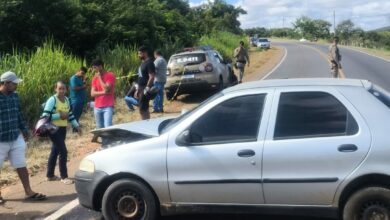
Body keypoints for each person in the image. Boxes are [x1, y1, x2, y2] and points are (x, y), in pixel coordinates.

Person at [0, 71, 46, 203]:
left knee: (21, 165)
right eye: (14, 84)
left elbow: (18, 114)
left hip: (15, 137)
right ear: (6, 83)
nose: (16, 86)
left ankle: (28, 191)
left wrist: (25, 131)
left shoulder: (15, 96)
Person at [42, 81, 81, 185]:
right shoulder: (52, 100)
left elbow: (70, 114)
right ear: (55, 89)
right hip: (52, 129)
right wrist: (59, 116)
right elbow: (45, 116)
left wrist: (76, 125)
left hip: (62, 129)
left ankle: (50, 175)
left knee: (55, 151)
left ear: (66, 89)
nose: (62, 91)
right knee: (63, 151)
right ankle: (64, 177)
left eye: (63, 88)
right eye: (60, 88)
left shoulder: (67, 100)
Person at [90, 59, 116, 131]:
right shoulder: (94, 78)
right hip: (97, 106)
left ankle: (109, 142)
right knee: (100, 129)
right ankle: (105, 142)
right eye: (93, 68)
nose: (93, 69)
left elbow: (107, 88)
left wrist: (99, 78)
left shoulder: (110, 75)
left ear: (100, 66)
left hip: (108, 106)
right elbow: (92, 93)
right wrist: (104, 92)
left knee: (108, 127)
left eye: (95, 67)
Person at [137, 46, 155, 120]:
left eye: (140, 53)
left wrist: (147, 88)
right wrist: (138, 89)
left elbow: (152, 76)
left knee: (142, 110)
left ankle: (145, 123)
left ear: (145, 53)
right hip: (141, 88)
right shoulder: (143, 63)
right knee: (144, 108)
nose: (139, 55)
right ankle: (147, 122)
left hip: (145, 88)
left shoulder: (150, 63)